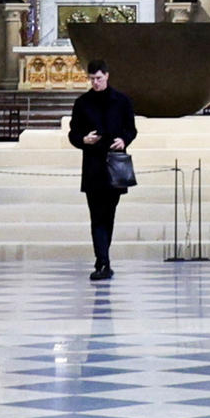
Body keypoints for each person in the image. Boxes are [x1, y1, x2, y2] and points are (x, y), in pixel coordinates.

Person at [66, 60, 140, 276]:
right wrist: (84, 139)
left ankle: (103, 259)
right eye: (92, 79)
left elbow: (131, 129)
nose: (95, 82)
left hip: (115, 164)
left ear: (106, 76)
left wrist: (124, 140)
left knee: (109, 215)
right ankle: (103, 262)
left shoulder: (122, 101)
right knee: (97, 215)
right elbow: (73, 133)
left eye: (98, 78)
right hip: (93, 165)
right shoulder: (82, 103)